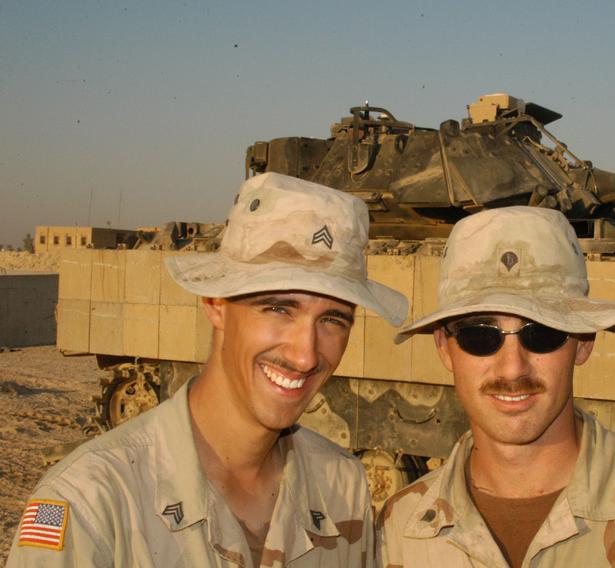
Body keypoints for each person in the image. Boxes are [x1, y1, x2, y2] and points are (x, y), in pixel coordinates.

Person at [7, 172, 408, 567]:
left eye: (333, 319)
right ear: (216, 304)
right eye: (278, 308)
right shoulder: (91, 501)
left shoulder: (343, 489)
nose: (305, 356)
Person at [378, 206, 615, 567]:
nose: (513, 367)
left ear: (583, 342)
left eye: (542, 334)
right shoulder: (398, 533)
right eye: (480, 336)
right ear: (445, 349)